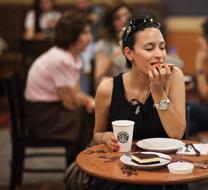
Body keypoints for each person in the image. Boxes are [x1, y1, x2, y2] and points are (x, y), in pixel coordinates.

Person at [91, 16, 186, 189]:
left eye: (162, 47)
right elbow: (97, 133)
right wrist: (106, 137)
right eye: (149, 48)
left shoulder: (174, 77)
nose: (159, 54)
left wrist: (158, 92)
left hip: (164, 173)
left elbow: (177, 134)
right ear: (129, 53)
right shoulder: (108, 89)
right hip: (121, 171)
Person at [24, 10, 95, 158]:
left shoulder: (71, 56)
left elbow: (75, 93)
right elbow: (71, 103)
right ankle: (81, 166)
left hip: (50, 110)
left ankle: (81, 163)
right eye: (85, 33)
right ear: (72, 35)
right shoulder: (61, 59)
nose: (90, 38)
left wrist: (89, 100)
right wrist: (89, 103)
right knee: (88, 117)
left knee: (90, 112)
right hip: (44, 118)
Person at [94, 2, 132, 86]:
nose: (123, 20)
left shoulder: (138, 39)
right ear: (111, 22)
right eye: (117, 18)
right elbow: (98, 80)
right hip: (116, 88)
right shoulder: (104, 44)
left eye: (126, 15)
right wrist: (112, 60)